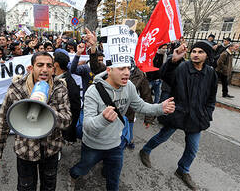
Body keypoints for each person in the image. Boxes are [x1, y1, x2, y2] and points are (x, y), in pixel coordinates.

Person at [68, 57, 175, 191]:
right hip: (93, 145)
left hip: (116, 144)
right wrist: (103, 119)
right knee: (82, 168)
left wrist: (160, 108)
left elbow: (140, 106)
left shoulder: (129, 86)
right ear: (109, 70)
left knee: (113, 179)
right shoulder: (93, 91)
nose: (127, 72)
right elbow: (87, 126)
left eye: (128, 68)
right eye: (121, 68)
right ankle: (72, 175)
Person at [139, 41, 218, 191]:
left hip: (197, 117)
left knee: (193, 148)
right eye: (194, 51)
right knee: (162, 136)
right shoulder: (182, 67)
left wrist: (207, 113)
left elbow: (212, 97)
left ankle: (183, 170)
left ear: (207, 55)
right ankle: (145, 150)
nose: (196, 54)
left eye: (200, 52)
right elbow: (164, 76)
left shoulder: (210, 73)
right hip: (178, 113)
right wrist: (173, 60)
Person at [0, 51, 71, 191]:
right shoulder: (16, 89)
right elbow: (3, 121)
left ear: (53, 69)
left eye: (49, 65)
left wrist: (48, 112)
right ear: (31, 68)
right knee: (25, 186)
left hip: (50, 149)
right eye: (40, 65)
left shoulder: (60, 88)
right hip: (25, 150)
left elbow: (67, 120)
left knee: (49, 185)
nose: (44, 69)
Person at [53, 50, 81, 143]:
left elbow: (75, 109)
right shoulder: (53, 78)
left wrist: (69, 130)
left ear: (56, 64)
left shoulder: (70, 84)